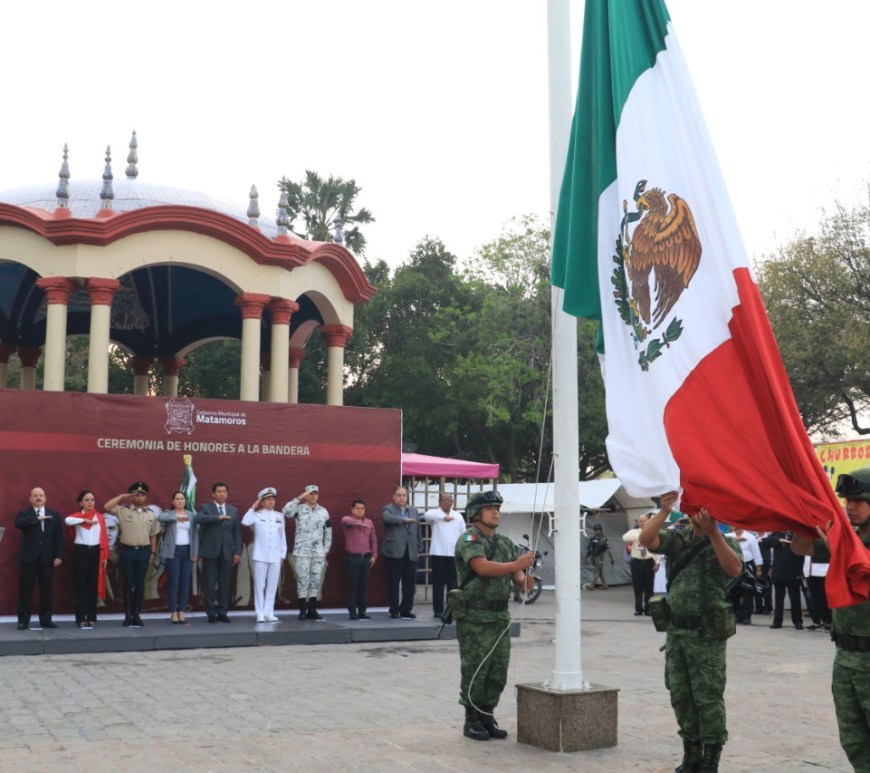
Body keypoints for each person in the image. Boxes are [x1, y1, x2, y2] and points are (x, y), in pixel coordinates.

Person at [639, 491, 743, 773]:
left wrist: (714, 534)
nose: (698, 513)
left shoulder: (726, 541)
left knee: (707, 697)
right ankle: (692, 753)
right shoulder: (679, 539)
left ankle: (711, 759)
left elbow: (734, 570)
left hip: (706, 635)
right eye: (694, 507)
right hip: (677, 633)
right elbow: (646, 539)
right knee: (680, 695)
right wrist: (663, 511)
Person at [793, 468, 870, 770]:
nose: (850, 506)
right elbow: (801, 547)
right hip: (846, 656)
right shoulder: (850, 538)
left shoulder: (851, 545)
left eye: (858, 500)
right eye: (847, 500)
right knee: (854, 739)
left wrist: (842, 550)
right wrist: (806, 517)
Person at [453, 490, 535, 741]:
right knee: (476, 668)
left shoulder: (505, 543)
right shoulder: (469, 538)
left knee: (497, 670)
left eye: (497, 508)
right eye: (490, 509)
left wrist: (526, 579)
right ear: (476, 514)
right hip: (475, 617)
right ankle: (472, 719)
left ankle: (487, 715)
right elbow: (482, 567)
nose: (496, 513)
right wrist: (517, 565)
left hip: (499, 617)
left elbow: (519, 579)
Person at [104, 482, 160, 628]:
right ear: (132, 497)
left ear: (145, 497)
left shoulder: (150, 514)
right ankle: (128, 615)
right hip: (127, 551)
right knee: (128, 584)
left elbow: (153, 534)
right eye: (136, 495)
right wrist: (122, 496)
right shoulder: (123, 510)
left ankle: (137, 614)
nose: (140, 497)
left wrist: (153, 552)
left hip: (143, 552)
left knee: (140, 584)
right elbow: (107, 507)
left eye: (142, 495)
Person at [16, 486, 64, 630]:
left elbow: (59, 537)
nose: (38, 498)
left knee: (46, 591)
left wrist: (59, 555)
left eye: (41, 495)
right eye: (35, 495)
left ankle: (46, 620)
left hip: (47, 559)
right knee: (25, 591)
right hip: (28, 560)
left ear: (45, 498)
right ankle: (23, 621)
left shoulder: (54, 514)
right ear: (30, 498)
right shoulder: (25, 514)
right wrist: (37, 519)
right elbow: (18, 523)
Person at [283, 484, 332, 621]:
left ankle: (312, 610)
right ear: (306, 495)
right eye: (310, 493)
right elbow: (286, 512)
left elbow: (328, 532)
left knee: (315, 581)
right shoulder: (299, 509)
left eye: (315, 493)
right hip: (302, 551)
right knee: (302, 580)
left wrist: (326, 549)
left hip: (318, 552)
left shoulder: (323, 511)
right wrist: (298, 498)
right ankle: (302, 611)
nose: (313, 496)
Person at [196, 481, 242, 623]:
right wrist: (218, 517)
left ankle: (222, 612)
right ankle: (211, 613)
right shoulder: (206, 507)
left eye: (224, 491)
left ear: (227, 494)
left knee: (224, 585)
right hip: (210, 552)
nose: (222, 494)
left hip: (227, 552)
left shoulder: (233, 510)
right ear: (213, 494)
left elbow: (237, 533)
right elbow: (198, 518)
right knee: (209, 584)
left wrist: (237, 552)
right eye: (219, 491)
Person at [65, 489, 109, 629]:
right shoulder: (77, 517)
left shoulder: (99, 517)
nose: (90, 502)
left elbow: (104, 539)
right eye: (87, 500)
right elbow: (67, 520)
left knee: (92, 586)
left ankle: (91, 617)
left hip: (95, 553)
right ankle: (80, 618)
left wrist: (105, 557)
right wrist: (84, 520)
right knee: (80, 586)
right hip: (81, 552)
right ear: (81, 503)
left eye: (92, 500)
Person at [242, 487, 288, 623]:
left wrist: (282, 555)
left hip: (275, 555)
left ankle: (269, 612)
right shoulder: (256, 515)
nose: (271, 502)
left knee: (272, 585)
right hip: (260, 555)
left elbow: (282, 537)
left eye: (272, 499)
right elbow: (245, 521)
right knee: (259, 585)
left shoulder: (279, 516)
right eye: (267, 500)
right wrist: (253, 507)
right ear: (262, 502)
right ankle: (260, 613)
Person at [422, 493, 466, 618]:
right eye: (444, 500)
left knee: (453, 584)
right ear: (439, 502)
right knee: (438, 583)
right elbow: (426, 516)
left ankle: (451, 610)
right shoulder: (435, 514)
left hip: (453, 554)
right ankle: (438, 610)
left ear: (452, 502)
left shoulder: (457, 516)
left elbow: (463, 534)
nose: (447, 502)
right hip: (438, 553)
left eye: (449, 500)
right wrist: (443, 517)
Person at [381, 486, 422, 619]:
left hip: (411, 551)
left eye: (404, 495)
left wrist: (419, 548)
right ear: (394, 497)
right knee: (393, 583)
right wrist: (403, 520)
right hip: (394, 551)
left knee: (409, 584)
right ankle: (394, 609)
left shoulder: (413, 510)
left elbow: (418, 530)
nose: (401, 498)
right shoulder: (388, 508)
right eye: (399, 495)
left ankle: (406, 610)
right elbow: (387, 519)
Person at [157, 491, 198, 624]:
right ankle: (173, 611)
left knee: (185, 583)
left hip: (187, 551)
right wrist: (176, 518)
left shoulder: (191, 515)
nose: (180, 501)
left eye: (182, 499)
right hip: (173, 552)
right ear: (173, 501)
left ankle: (182, 611)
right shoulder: (169, 514)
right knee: (174, 582)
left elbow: (195, 535)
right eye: (177, 499)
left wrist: (195, 552)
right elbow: (160, 517)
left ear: (185, 501)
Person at [760, 530, 804, 630]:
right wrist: (778, 540)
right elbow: (764, 542)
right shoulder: (777, 533)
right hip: (779, 571)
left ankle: (798, 621)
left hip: (794, 571)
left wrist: (800, 572)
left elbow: (802, 555)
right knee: (779, 598)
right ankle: (777, 621)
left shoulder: (796, 534)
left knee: (795, 598)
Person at [341, 499, 377, 620]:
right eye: (357, 508)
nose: (360, 511)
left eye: (362, 509)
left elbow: (373, 539)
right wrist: (359, 524)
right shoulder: (347, 520)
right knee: (352, 585)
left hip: (366, 558)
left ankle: (362, 611)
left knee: (363, 586)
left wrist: (374, 555)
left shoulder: (369, 522)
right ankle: (352, 611)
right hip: (352, 557)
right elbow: (345, 521)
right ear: (352, 509)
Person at [623, 513, 659, 615]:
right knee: (637, 586)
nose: (643, 523)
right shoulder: (634, 532)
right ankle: (638, 608)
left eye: (644, 521)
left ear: (648, 521)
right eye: (641, 521)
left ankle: (648, 608)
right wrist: (639, 536)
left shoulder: (653, 531)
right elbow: (625, 538)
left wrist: (657, 562)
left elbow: (657, 548)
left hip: (648, 561)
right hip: (637, 561)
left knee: (649, 586)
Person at [731, 527, 763, 625]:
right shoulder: (728, 536)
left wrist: (758, 568)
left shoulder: (750, 537)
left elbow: (756, 552)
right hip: (733, 565)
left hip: (747, 565)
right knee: (733, 591)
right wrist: (736, 540)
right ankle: (736, 615)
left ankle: (746, 616)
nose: (736, 528)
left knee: (747, 591)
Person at [584, 523, 614, 590]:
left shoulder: (604, 539)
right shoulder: (592, 539)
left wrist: (611, 558)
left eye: (598, 530)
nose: (597, 531)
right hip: (593, 557)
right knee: (599, 571)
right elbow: (589, 548)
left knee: (596, 570)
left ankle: (592, 585)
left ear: (601, 530)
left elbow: (608, 549)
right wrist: (587, 555)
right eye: (596, 530)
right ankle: (605, 585)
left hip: (600, 557)